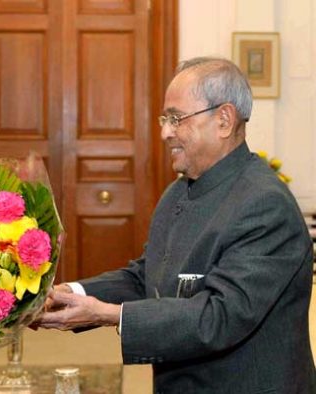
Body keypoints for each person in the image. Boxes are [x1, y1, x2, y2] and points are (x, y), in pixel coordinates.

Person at [36, 57, 316, 393]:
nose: (165, 132)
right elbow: (148, 276)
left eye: (176, 119)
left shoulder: (264, 204)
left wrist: (109, 314)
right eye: (164, 119)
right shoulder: (178, 192)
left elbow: (219, 317)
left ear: (224, 120)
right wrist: (72, 293)